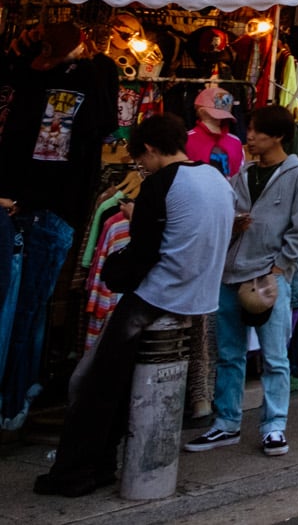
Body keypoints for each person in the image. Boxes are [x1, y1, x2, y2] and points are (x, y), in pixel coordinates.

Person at [38, 114, 233, 497]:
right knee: (118, 385)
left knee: (95, 386)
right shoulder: (216, 178)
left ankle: (75, 474)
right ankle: (101, 466)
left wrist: (112, 266)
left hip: (155, 298)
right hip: (197, 300)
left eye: (139, 159)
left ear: (149, 148)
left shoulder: (161, 185)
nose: (140, 167)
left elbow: (141, 255)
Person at [185, 106, 298, 457]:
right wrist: (234, 223)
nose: (250, 137)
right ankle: (226, 422)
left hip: (267, 277)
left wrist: (279, 268)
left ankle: (274, 425)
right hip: (231, 274)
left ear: (277, 136)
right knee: (229, 354)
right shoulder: (243, 174)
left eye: (257, 131)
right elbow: (225, 214)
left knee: (274, 357)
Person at [187, 86, 245, 177]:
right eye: (214, 115)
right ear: (201, 111)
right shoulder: (187, 140)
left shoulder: (235, 142)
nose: (220, 118)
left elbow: (239, 174)